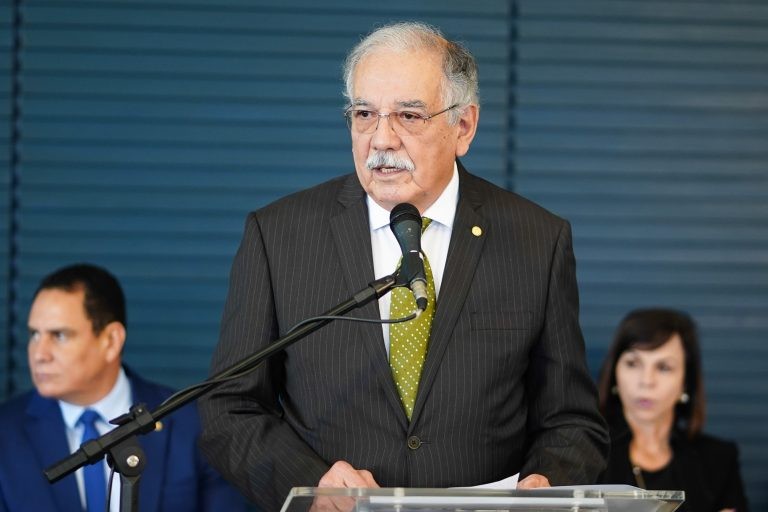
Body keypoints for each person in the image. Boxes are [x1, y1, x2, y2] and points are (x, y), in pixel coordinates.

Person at [199, 21, 609, 511]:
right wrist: (308, 483)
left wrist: (546, 483)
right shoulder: (279, 235)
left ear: (464, 127)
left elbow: (571, 422)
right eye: (364, 114)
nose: (381, 139)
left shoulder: (537, 239)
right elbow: (229, 407)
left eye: (409, 116)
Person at [0, 264, 246, 512]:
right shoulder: (6, 432)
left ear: (111, 340)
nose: (39, 354)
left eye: (60, 335)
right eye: (34, 335)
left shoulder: (191, 422)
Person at [598, 308, 749, 512]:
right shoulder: (587, 454)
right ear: (614, 372)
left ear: (685, 383)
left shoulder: (719, 461)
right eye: (633, 363)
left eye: (663, 367)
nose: (646, 381)